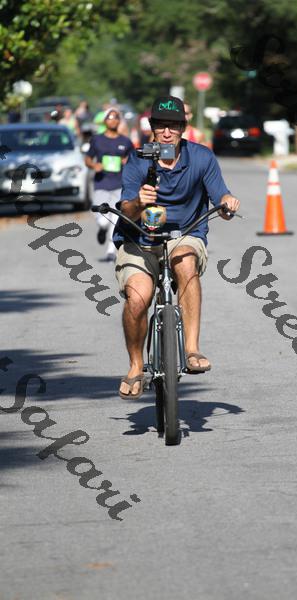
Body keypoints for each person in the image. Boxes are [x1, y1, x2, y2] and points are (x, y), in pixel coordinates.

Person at [113, 95, 240, 399]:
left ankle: (192, 348)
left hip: (185, 235)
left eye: (173, 126)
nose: (167, 132)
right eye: (161, 125)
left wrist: (227, 203)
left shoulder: (201, 157)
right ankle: (135, 365)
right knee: (138, 298)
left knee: (184, 260)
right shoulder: (138, 159)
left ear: (183, 127)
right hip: (139, 239)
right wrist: (138, 202)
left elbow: (220, 194)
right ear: (151, 127)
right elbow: (126, 209)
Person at [85, 108, 132, 261]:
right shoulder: (97, 140)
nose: (113, 120)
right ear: (105, 121)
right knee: (103, 219)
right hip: (102, 183)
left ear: (119, 121)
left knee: (115, 217)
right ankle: (102, 228)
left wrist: (127, 162)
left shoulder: (125, 141)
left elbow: (133, 160)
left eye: (116, 117)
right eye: (110, 117)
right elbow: (88, 158)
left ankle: (111, 251)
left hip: (119, 183)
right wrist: (94, 165)